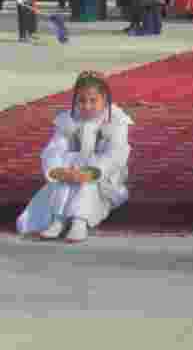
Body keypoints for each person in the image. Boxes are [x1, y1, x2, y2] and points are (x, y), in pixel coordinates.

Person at [16, 71, 133, 243]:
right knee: (69, 165)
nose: (86, 106)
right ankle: (59, 219)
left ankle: (80, 219)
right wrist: (59, 170)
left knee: (87, 176)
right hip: (72, 171)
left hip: (104, 175)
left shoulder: (116, 119)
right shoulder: (69, 118)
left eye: (93, 101)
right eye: (81, 100)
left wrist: (91, 172)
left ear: (105, 99)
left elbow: (116, 155)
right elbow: (54, 148)